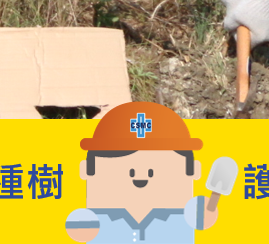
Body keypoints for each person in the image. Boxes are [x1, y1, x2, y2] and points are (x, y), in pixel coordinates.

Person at [65, 102, 224, 242]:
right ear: (85, 170)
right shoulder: (92, 221)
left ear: (194, 170)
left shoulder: (186, 217)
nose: (140, 177)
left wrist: (210, 208)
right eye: (130, 171)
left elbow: (207, 217)